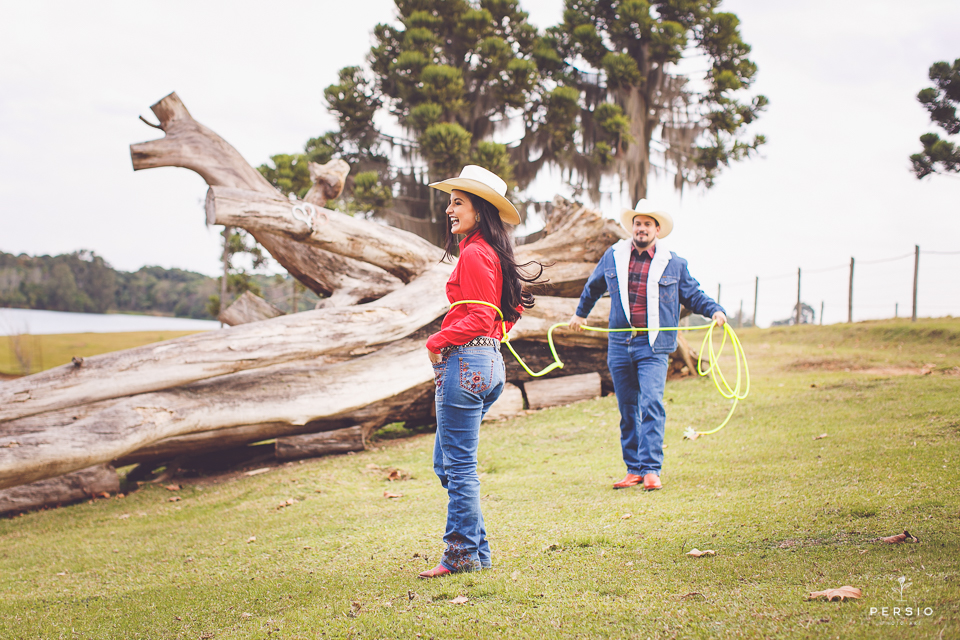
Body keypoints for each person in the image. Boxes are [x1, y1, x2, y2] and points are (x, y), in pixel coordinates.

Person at [419, 165, 542, 578]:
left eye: (458, 202)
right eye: (450, 202)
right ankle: (477, 550)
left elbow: (475, 317)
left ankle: (461, 556)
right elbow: (512, 309)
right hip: (489, 366)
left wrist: (436, 341)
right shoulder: (493, 253)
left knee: (458, 467)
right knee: (447, 465)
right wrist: (493, 338)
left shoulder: (474, 253)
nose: (449, 210)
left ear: (480, 209)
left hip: (467, 366)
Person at [568, 200, 726, 491]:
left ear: (657, 229)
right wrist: (580, 314)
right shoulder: (614, 255)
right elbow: (593, 287)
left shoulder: (674, 263)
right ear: (633, 227)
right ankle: (634, 469)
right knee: (627, 407)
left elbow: (693, 295)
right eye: (638, 224)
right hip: (620, 342)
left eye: (647, 224)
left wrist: (715, 310)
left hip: (653, 345)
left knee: (651, 402)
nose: (642, 229)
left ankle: (652, 469)